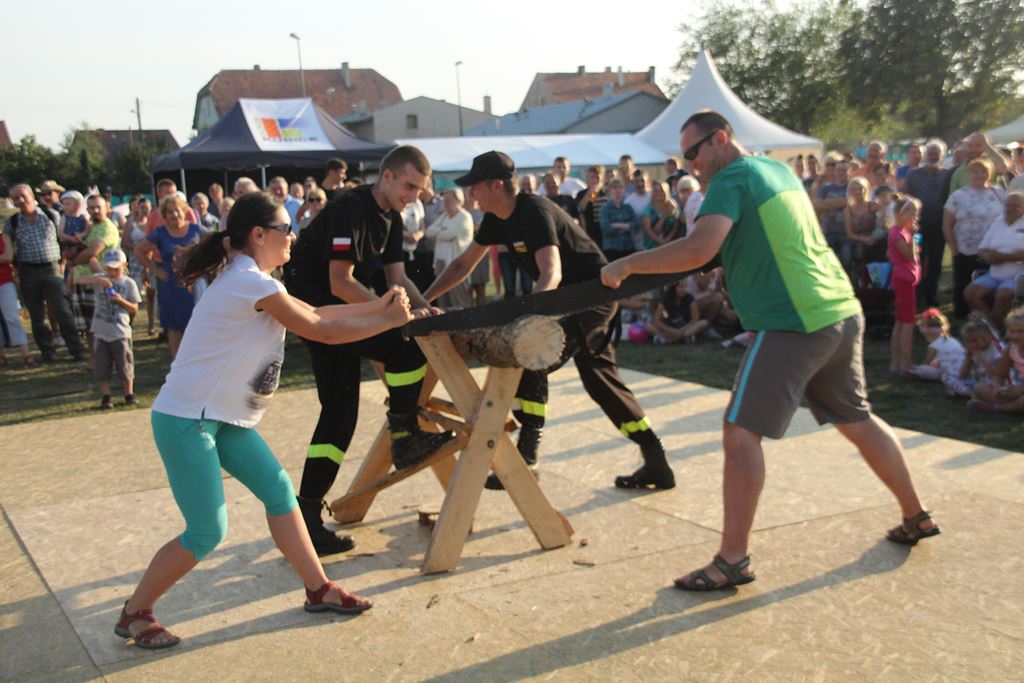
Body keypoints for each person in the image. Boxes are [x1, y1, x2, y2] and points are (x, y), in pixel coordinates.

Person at [601, 110, 938, 590]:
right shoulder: (775, 170)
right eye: (684, 157)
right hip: (838, 310)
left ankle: (732, 559)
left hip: (794, 320)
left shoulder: (731, 177)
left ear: (720, 139)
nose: (691, 164)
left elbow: (699, 248)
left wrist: (629, 265)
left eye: (694, 152)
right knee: (858, 420)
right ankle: (917, 514)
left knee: (740, 433)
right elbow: (745, 240)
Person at [115, 192, 396, 651]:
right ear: (259, 235)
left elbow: (318, 312)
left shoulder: (257, 280)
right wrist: (387, 322)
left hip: (219, 419)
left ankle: (318, 588)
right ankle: (135, 612)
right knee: (207, 531)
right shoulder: (248, 281)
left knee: (279, 492)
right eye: (287, 229)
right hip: (188, 420)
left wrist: (378, 307)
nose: (294, 237)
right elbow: (320, 330)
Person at [426, 151, 675, 492]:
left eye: (475, 188)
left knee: (532, 355)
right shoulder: (497, 218)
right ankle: (657, 461)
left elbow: (551, 272)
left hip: (590, 301)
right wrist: (426, 300)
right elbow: (461, 266)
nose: (472, 196)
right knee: (602, 383)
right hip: (564, 302)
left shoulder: (534, 212)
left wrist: (533, 320)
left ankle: (528, 457)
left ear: (496, 185)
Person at [283, 145, 454, 555]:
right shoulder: (349, 207)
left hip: (342, 309)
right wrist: (387, 313)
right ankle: (404, 435)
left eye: (420, 189)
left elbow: (398, 277)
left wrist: (421, 307)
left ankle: (306, 517)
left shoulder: (391, 218)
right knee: (397, 355)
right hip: (317, 311)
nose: (414, 196)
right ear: (388, 176)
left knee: (343, 410)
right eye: (410, 186)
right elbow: (341, 282)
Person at [4, 184, 85, 362]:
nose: (20, 200)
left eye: (23, 196)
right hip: (27, 271)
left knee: (62, 310)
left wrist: (63, 263)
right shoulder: (12, 222)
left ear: (32, 196)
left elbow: (62, 240)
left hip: (52, 267)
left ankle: (76, 350)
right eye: (16, 198)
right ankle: (47, 352)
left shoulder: (51, 215)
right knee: (37, 315)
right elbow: (10, 249)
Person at [135, 196, 204, 360]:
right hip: (170, 284)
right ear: (164, 216)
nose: (174, 214)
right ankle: (176, 363)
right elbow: (139, 251)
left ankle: (196, 361)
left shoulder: (197, 230)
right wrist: (155, 270)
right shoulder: (160, 233)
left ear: (184, 211)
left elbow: (214, 244)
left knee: (195, 322)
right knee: (173, 326)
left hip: (193, 284)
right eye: (169, 212)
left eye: (177, 210)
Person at [75, 249, 141, 408]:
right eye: (109, 268)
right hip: (101, 330)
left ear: (124, 266)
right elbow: (77, 279)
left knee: (124, 365)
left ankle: (129, 393)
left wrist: (120, 300)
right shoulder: (101, 279)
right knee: (102, 366)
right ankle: (106, 395)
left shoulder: (128, 283)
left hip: (120, 331)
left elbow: (134, 308)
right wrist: (97, 280)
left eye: (116, 269)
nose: (112, 272)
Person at [943, 157, 1007, 318]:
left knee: (989, 286)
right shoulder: (958, 196)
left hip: (993, 250)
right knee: (964, 284)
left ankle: (989, 317)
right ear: (969, 174)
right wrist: (954, 248)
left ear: (990, 173)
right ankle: (963, 319)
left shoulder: (999, 193)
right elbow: (947, 224)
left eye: (983, 171)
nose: (979, 175)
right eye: (975, 172)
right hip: (966, 249)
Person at [964, 191, 1024, 332]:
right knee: (970, 293)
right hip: (994, 272)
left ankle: (997, 330)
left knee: (1002, 295)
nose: (1011, 209)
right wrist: (988, 257)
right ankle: (991, 326)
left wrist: (1003, 257)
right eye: (1008, 205)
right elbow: (982, 248)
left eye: (1016, 206)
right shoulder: (998, 221)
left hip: (1018, 274)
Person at [905, 139, 950, 307]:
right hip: (918, 226)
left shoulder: (947, 175)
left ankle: (931, 294)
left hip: (939, 225)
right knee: (917, 259)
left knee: (936, 261)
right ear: (925, 155)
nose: (932, 156)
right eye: (930, 153)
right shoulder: (913, 174)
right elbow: (906, 198)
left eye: (936, 153)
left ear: (942, 155)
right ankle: (916, 294)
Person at [968, 307, 1024, 413]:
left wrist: (1022, 388)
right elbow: (999, 375)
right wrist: (997, 387)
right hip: (1015, 390)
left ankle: (997, 408)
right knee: (979, 388)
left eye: (1021, 332)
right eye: (1012, 331)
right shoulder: (1012, 348)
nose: (1016, 336)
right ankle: (1013, 406)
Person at [424, 188, 473, 309]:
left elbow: (449, 234)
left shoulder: (464, 217)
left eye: (448, 200)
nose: (445, 203)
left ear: (458, 201)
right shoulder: (444, 216)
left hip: (456, 265)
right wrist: (442, 232)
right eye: (444, 200)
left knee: (459, 300)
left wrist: (440, 233)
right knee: (442, 299)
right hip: (440, 262)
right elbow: (428, 232)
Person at [906, 308, 967, 395]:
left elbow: (927, 362)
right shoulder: (952, 340)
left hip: (948, 372)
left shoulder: (933, 346)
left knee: (921, 369)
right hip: (964, 370)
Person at [0, 227, 34, 368]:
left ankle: (26, 355)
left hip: (4, 281)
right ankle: (1, 356)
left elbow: (8, 256)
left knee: (12, 317)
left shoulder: (3, 237)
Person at [646, 278, 708, 344]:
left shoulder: (689, 298)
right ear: (673, 288)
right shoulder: (666, 299)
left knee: (704, 322)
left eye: (685, 286)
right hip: (670, 328)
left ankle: (667, 340)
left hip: (685, 328)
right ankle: (683, 338)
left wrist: (680, 331)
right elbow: (656, 321)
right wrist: (672, 331)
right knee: (648, 327)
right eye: (681, 287)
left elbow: (695, 318)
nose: (684, 289)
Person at [953, 319, 1003, 398]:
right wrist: (968, 359)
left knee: (983, 388)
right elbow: (963, 375)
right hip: (977, 382)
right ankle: (974, 395)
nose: (971, 344)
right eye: (967, 341)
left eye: (974, 340)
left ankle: (976, 395)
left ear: (987, 338)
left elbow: (996, 375)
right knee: (954, 382)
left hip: (994, 383)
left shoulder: (996, 350)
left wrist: (981, 358)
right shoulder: (972, 351)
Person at [599, 178, 638, 262]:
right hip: (612, 248)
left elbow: (636, 225)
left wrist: (617, 225)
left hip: (628, 247)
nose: (618, 190)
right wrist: (626, 226)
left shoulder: (628, 207)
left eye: (620, 187)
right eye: (615, 188)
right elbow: (606, 229)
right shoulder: (605, 209)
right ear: (609, 190)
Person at [639, 180, 681, 250]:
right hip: (652, 248)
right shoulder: (647, 211)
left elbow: (676, 225)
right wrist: (664, 216)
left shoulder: (672, 206)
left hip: (672, 245)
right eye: (656, 191)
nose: (658, 193)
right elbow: (650, 232)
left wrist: (668, 239)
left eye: (661, 190)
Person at [576, 165, 607, 247]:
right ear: (587, 178)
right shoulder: (581, 194)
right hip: (589, 233)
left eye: (597, 177)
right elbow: (579, 209)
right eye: (592, 177)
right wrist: (588, 194)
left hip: (604, 234)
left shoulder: (606, 193)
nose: (594, 180)